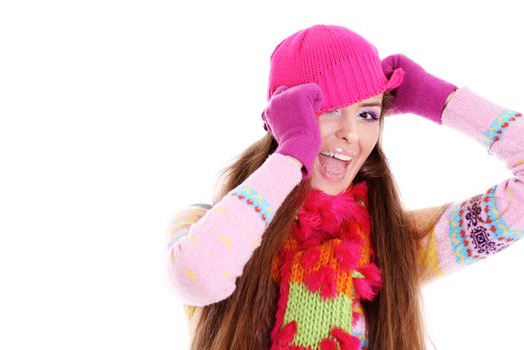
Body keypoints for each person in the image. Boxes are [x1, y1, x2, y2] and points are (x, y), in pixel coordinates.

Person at [162, 24, 523, 350]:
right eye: (329, 109)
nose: (351, 133)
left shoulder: (396, 245)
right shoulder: (205, 225)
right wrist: (290, 157)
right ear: (283, 118)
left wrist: (441, 100)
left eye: (368, 114)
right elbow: (198, 280)